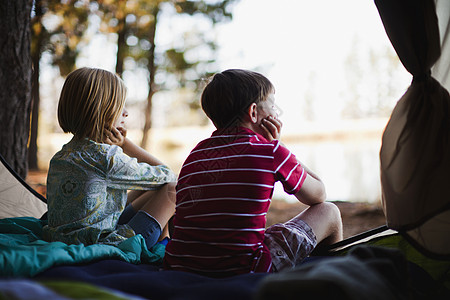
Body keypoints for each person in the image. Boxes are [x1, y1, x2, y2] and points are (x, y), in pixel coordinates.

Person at [164, 69, 343, 277]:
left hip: (184, 266)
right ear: (253, 112)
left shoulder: (196, 154)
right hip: (247, 269)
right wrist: (279, 144)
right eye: (273, 105)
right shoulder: (271, 151)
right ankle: (332, 281)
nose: (277, 112)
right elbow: (318, 194)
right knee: (329, 211)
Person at [43, 67, 176, 250]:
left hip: (64, 239)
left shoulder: (62, 155)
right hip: (105, 245)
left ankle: (164, 237)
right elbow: (169, 176)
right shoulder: (106, 159)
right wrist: (125, 145)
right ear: (101, 109)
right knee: (172, 190)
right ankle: (163, 242)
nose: (126, 113)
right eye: (120, 105)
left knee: (148, 188)